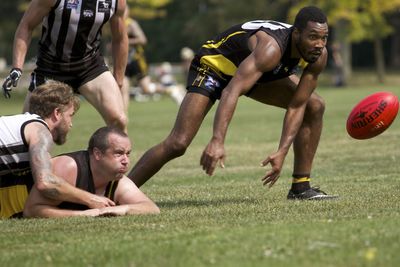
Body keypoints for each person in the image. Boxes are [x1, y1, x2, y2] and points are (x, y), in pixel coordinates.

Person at [128, 6, 338, 200]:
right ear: (296, 34)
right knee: (178, 143)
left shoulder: (318, 56)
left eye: (324, 38)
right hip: (215, 66)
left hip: (251, 72)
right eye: (313, 37)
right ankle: (119, 190)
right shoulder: (271, 49)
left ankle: (301, 187)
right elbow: (232, 90)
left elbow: (297, 105)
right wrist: (217, 140)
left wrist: (282, 150)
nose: (319, 44)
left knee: (314, 105)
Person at [2, 0, 128, 132]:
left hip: (89, 66)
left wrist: (118, 80)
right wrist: (17, 68)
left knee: (119, 120)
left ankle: (113, 152)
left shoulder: (116, 1)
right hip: (51, 68)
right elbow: (26, 26)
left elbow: (120, 38)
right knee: (30, 129)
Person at [0, 81, 115, 219]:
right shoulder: (40, 131)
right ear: (57, 113)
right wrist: (91, 199)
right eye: (70, 115)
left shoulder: (19, 125)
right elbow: (45, 182)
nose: (71, 124)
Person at [23, 126, 160, 218]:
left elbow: (151, 208)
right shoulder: (69, 167)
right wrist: (84, 215)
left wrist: (123, 209)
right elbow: (31, 211)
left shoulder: (117, 180)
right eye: (118, 153)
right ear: (97, 154)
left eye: (128, 154)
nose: (125, 160)